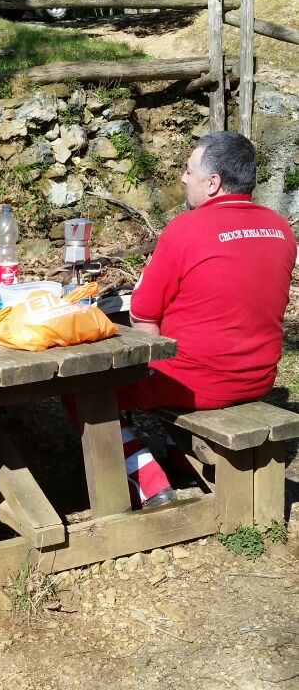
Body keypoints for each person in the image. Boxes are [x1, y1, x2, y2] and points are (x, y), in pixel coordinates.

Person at [118, 131, 297, 506]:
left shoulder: (186, 229)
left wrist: (149, 366)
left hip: (198, 383)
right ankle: (180, 454)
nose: (183, 178)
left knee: (87, 387)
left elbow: (142, 314)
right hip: (259, 377)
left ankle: (144, 475)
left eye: (188, 170)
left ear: (213, 183)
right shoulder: (280, 228)